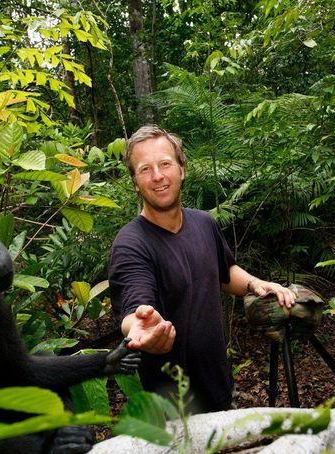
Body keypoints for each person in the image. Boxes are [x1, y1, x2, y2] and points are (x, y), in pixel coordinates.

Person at [108, 125, 296, 412]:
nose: (157, 176)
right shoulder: (131, 244)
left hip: (218, 384)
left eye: (165, 164)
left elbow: (223, 272)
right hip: (172, 406)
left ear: (182, 169)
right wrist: (140, 328)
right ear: (135, 181)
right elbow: (134, 308)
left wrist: (255, 284)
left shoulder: (203, 223)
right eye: (145, 169)